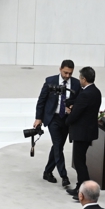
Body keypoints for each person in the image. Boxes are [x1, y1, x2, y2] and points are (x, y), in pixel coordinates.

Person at [33, 59, 81, 188]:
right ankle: (64, 176)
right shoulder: (50, 81)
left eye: (70, 73)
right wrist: (38, 118)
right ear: (60, 69)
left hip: (66, 119)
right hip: (53, 118)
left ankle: (47, 172)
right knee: (58, 145)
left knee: (57, 146)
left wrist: (73, 108)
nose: (67, 75)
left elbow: (78, 101)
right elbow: (41, 100)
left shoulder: (76, 84)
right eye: (65, 72)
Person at [65, 66, 102, 198]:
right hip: (87, 131)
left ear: (84, 79)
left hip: (82, 132)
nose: (79, 80)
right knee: (80, 160)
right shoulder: (95, 91)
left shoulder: (86, 94)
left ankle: (86, 191)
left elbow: (76, 113)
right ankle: (79, 187)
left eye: (80, 78)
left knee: (79, 162)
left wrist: (67, 119)